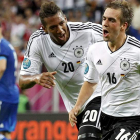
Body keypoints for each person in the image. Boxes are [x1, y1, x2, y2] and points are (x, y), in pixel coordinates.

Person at [19, 1, 103, 140]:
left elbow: (118, 37)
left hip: (99, 94)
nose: (60, 29)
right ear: (44, 29)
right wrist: (36, 78)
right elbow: (22, 81)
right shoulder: (38, 42)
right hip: (76, 108)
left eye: (61, 23)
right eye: (53, 27)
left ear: (65, 18)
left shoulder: (87, 31)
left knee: (88, 137)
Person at [69, 0, 140, 140]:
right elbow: (90, 82)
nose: (104, 24)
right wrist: (77, 106)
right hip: (105, 115)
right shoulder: (95, 50)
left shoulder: (137, 52)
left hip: (131, 120)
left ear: (123, 26)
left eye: (111, 20)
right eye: (104, 18)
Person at [0, 24, 19, 140]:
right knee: (5, 131)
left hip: (3, 94)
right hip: (12, 93)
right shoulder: (8, 46)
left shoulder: (2, 46)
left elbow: (2, 67)